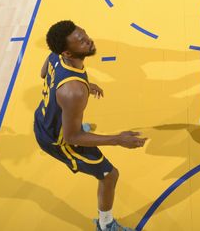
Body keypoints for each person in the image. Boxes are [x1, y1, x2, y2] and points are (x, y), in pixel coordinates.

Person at [34, 20, 146, 231]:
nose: (88, 40)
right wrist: (117, 139)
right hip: (57, 140)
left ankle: (70, 122)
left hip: (43, 118)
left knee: (74, 123)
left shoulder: (56, 56)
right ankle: (106, 225)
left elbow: (43, 74)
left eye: (84, 34)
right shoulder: (74, 92)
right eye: (81, 41)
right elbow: (72, 138)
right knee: (109, 175)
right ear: (67, 52)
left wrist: (85, 84)